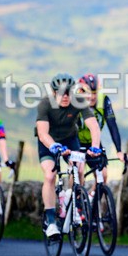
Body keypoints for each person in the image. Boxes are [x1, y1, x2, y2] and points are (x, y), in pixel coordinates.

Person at [36, 73, 102, 238]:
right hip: (48, 143)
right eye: (61, 93)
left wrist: (94, 147)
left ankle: (70, 200)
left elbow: (93, 126)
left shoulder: (78, 100)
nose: (65, 97)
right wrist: (53, 146)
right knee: (50, 176)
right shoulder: (45, 104)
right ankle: (51, 222)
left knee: (79, 169)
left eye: (68, 93)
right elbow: (42, 133)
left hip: (70, 139)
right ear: (54, 93)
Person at [76, 73, 128, 189]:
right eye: (89, 93)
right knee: (78, 172)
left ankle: (92, 198)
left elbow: (112, 125)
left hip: (93, 141)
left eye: (94, 93)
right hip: (76, 141)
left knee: (103, 175)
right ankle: (73, 198)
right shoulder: (76, 102)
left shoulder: (103, 100)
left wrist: (119, 151)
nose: (92, 97)